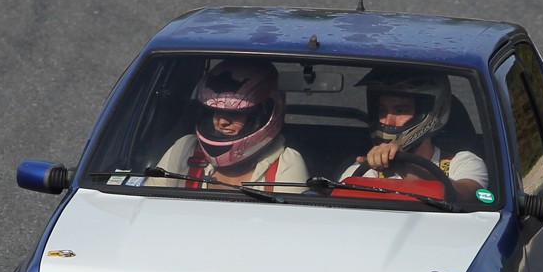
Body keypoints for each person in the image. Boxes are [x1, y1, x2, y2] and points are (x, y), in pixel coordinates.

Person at [149, 59, 308, 193]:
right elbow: (150, 206)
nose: (222, 121)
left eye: (235, 113)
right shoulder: (185, 150)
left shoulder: (285, 163)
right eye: (215, 112)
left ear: (262, 114)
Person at [341, 71, 487, 196]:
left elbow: (468, 196)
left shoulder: (462, 164)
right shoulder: (363, 172)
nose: (388, 121)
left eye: (401, 110)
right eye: (382, 110)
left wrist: (403, 165)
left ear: (428, 112)